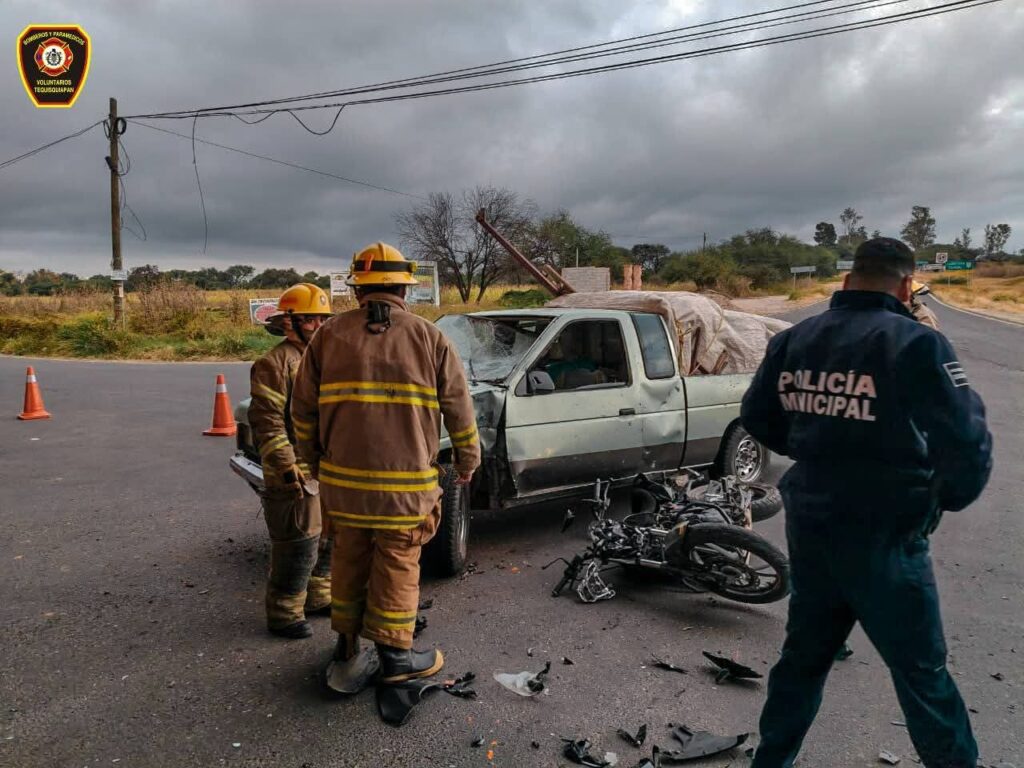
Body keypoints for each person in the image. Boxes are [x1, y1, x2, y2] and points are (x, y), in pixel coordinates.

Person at [740, 238, 992, 768]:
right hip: (887, 533)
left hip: (813, 524)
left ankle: (772, 762)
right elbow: (967, 445)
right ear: (906, 285)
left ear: (849, 281)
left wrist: (817, 449)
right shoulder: (917, 343)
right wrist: (937, 502)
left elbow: (760, 419)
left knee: (803, 660)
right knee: (922, 673)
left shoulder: (794, 339)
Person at [291, 242, 481, 694]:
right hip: (405, 491)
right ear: (403, 287)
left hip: (343, 489)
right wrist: (469, 462)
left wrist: (314, 462)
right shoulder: (430, 338)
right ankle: (397, 657)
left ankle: (347, 648)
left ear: (358, 289)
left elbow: (301, 412)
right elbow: (460, 410)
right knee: (397, 563)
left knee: (349, 560)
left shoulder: (327, 337)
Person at [248, 282, 334, 639]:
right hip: (294, 472)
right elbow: (266, 422)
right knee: (297, 544)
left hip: (323, 467)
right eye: (311, 319)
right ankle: (284, 614)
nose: (319, 326)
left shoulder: (324, 360)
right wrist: (287, 468)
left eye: (322, 319)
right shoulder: (274, 364)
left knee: (327, 538)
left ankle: (319, 598)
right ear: (289, 322)